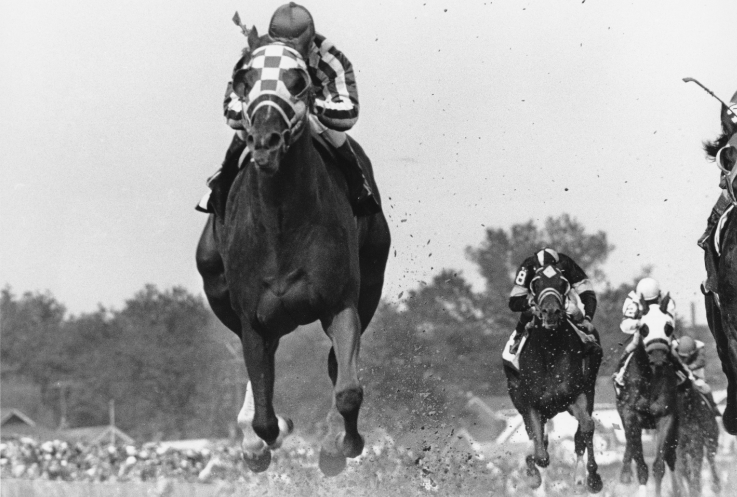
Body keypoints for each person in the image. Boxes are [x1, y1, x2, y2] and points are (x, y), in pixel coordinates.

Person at [197, 2, 380, 217]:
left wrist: (309, 105)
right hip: (271, 113)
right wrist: (255, 108)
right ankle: (221, 182)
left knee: (337, 137)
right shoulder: (256, 58)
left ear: (310, 42)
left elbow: (349, 110)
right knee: (243, 132)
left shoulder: (330, 59)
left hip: (313, 114)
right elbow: (232, 108)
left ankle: (359, 186)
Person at [507, 247, 598, 355]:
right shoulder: (528, 266)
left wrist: (587, 318)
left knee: (573, 309)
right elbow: (514, 302)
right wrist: (528, 303)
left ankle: (585, 340)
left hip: (562, 301)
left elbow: (587, 293)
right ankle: (518, 338)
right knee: (528, 311)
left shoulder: (566, 263)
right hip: (536, 301)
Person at [697, 89, 737, 295]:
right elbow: (725, 178)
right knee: (709, 233)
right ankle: (714, 282)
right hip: (733, 196)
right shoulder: (732, 141)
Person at [612, 277, 676, 386]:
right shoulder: (632, 302)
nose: (651, 303)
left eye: (653, 301)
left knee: (674, 349)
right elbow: (625, 325)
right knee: (633, 345)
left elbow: (671, 323)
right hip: (643, 333)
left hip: (662, 334)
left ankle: (683, 374)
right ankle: (620, 372)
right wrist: (638, 323)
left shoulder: (667, 301)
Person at [673, 335, 721, 416]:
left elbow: (701, 361)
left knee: (705, 387)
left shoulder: (700, 347)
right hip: (680, 370)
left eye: (686, 356)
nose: (685, 358)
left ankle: (713, 408)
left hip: (696, 371)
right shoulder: (674, 345)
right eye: (682, 356)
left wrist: (689, 367)